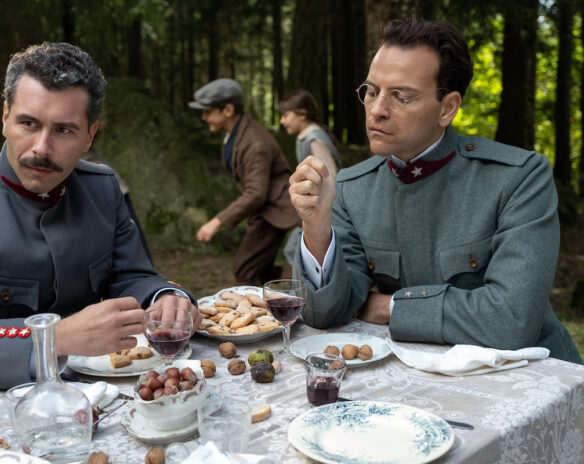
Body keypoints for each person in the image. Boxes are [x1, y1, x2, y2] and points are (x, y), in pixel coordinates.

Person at [0, 42, 201, 405]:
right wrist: (54, 338)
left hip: (82, 399)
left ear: (90, 135)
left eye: (63, 130)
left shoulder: (103, 190)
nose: (41, 147)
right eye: (29, 123)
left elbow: (131, 276)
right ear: (5, 118)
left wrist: (164, 297)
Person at [289, 18, 582, 364]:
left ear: (447, 108)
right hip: (412, 382)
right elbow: (324, 313)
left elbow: (511, 320)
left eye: (401, 96)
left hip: (529, 379)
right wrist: (317, 227)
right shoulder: (354, 188)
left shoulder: (517, 177)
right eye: (371, 90)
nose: (377, 110)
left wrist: (390, 306)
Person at [189, 78, 299, 285]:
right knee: (258, 270)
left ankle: (306, 282)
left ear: (228, 110)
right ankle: (303, 280)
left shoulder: (254, 143)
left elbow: (256, 193)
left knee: (244, 270)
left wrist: (216, 222)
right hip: (264, 209)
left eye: (208, 111)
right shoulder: (233, 133)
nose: (204, 117)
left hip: (274, 209)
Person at [279, 90, 342, 266]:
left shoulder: (314, 138)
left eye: (286, 115)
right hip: (315, 206)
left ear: (302, 114)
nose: (282, 121)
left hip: (327, 209)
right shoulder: (305, 137)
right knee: (293, 250)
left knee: (296, 249)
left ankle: (312, 290)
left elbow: (331, 177)